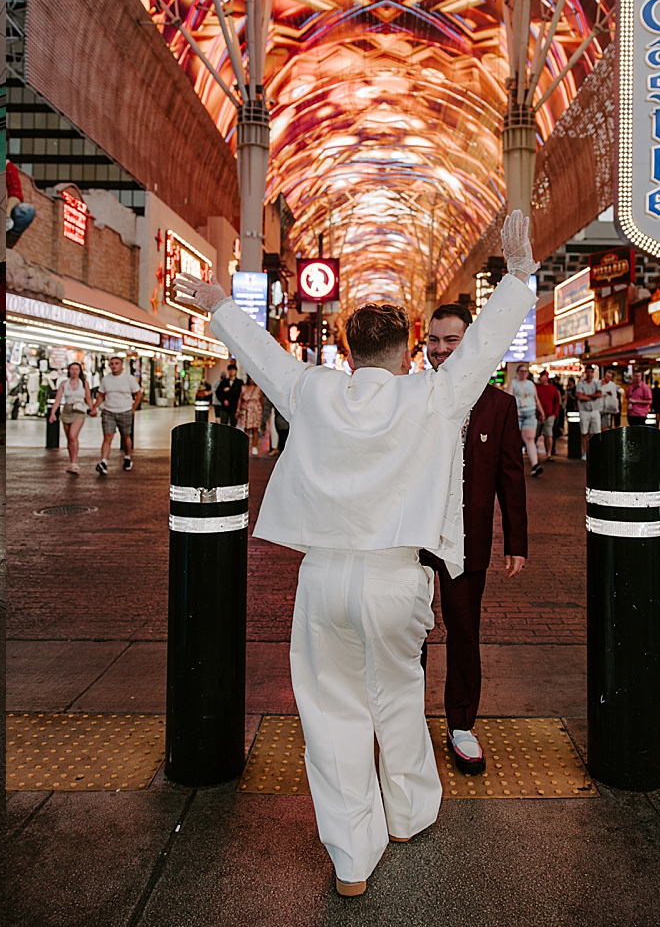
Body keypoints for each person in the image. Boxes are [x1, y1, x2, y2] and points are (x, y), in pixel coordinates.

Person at [174, 211, 538, 898]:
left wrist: (220, 301)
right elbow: (484, 346)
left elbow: (263, 356)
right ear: (406, 353)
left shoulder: (313, 391)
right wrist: (518, 274)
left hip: (322, 578)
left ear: (348, 351)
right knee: (397, 695)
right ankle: (409, 814)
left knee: (331, 713)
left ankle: (350, 858)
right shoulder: (434, 395)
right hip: (396, 577)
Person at [420, 304, 529, 777]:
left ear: (472, 343)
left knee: (463, 632)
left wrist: (516, 541)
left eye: (452, 340)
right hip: (413, 539)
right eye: (434, 340)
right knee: (407, 633)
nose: (441, 350)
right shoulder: (414, 394)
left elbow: (511, 476)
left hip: (468, 540)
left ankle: (461, 724)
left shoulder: (498, 405)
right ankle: (404, 722)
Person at [93, 355, 141, 475]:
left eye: (116, 363)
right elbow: (101, 395)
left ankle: (127, 457)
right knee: (107, 436)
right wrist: (94, 407)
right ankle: (103, 462)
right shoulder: (106, 379)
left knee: (125, 436)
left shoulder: (129, 379)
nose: (114, 366)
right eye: (112, 364)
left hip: (125, 410)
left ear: (121, 365)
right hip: (108, 411)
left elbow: (138, 393)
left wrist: (133, 408)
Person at [48, 360, 93, 475]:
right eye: (72, 369)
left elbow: (88, 397)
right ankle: (72, 462)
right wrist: (53, 413)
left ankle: (74, 462)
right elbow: (58, 399)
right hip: (67, 410)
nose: (74, 371)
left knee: (73, 436)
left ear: (80, 371)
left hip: (79, 410)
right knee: (69, 438)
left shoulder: (84, 383)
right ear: (69, 371)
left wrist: (93, 408)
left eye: (76, 369)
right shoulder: (64, 383)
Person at [508, 363, 544, 475]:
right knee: (513, 440)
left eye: (525, 371)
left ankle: (535, 465)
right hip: (517, 414)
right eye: (521, 371)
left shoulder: (531, 384)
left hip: (530, 412)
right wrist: (514, 410)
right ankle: (512, 465)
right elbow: (509, 398)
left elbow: (536, 398)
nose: (523, 374)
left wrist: (541, 411)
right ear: (517, 372)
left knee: (529, 439)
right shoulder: (513, 383)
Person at [574, 365, 603, 449]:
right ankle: (585, 450)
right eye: (588, 372)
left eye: (591, 372)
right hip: (584, 410)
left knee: (596, 432)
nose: (589, 374)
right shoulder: (581, 383)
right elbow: (580, 396)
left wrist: (586, 395)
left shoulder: (596, 382)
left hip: (595, 410)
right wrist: (593, 396)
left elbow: (599, 394)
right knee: (584, 432)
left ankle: (595, 449)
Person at [535, 371, 561, 460]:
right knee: (534, 434)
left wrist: (554, 414)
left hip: (549, 415)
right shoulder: (536, 388)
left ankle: (549, 453)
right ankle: (533, 452)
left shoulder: (553, 389)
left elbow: (557, 402)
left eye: (542, 376)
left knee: (548, 434)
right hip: (537, 415)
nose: (540, 378)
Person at [236, 374, 264, 452]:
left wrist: (260, 410)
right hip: (246, 411)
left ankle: (254, 447)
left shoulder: (258, 389)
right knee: (246, 429)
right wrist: (238, 410)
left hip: (255, 411)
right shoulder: (244, 388)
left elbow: (262, 401)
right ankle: (246, 446)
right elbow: (240, 399)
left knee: (255, 429)